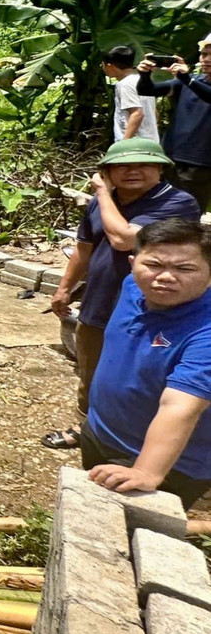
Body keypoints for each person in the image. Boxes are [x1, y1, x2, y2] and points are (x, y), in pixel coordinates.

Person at [43, 139, 201, 449]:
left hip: (153, 309)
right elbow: (83, 250)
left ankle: (149, 441)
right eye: (122, 166)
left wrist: (101, 192)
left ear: (160, 169)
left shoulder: (178, 203)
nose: (132, 171)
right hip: (99, 301)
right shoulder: (99, 204)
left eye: (143, 164)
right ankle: (88, 427)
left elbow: (123, 239)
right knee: (92, 372)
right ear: (107, 172)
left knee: (145, 377)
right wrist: (63, 288)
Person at [81, 219, 211, 508]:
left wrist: (146, 470)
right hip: (100, 430)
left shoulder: (206, 329)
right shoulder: (132, 287)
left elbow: (181, 406)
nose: (165, 277)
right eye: (154, 264)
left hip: (164, 461)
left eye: (185, 268)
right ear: (132, 262)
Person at [138, 46, 211, 210]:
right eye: (204, 54)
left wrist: (187, 79)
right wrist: (145, 74)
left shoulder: (189, 81)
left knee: (186, 214)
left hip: (199, 162)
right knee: (155, 207)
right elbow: (147, 90)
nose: (206, 59)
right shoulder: (190, 80)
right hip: (169, 157)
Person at [104, 46, 158, 143]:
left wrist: (124, 143)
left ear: (109, 66)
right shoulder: (143, 81)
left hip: (134, 145)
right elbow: (155, 112)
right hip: (151, 141)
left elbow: (137, 113)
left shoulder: (125, 84)